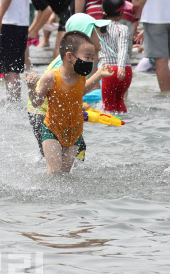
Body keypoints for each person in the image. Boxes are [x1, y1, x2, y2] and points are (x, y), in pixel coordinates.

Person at [27, 31, 113, 174]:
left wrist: (99, 75)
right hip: (52, 130)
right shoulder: (51, 77)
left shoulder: (80, 77)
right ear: (69, 56)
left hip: (75, 132)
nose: (91, 62)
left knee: (65, 174)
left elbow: (81, 91)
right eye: (87, 58)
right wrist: (31, 88)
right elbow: (36, 103)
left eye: (92, 58)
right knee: (54, 172)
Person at [99, 0, 132, 113]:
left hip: (108, 71)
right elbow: (123, 49)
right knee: (120, 101)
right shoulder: (123, 28)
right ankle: (124, 128)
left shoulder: (97, 27)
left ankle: (111, 131)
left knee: (107, 107)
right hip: (125, 71)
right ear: (121, 13)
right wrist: (121, 67)